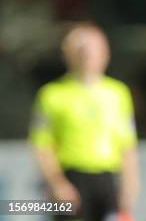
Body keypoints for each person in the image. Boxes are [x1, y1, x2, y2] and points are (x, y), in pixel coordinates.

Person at [29, 23, 139, 221]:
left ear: (106, 53)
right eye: (82, 50)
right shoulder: (51, 95)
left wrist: (129, 184)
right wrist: (57, 183)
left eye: (93, 50)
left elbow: (127, 144)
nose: (88, 56)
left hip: (107, 180)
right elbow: (41, 144)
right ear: (67, 54)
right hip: (71, 178)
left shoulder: (118, 93)